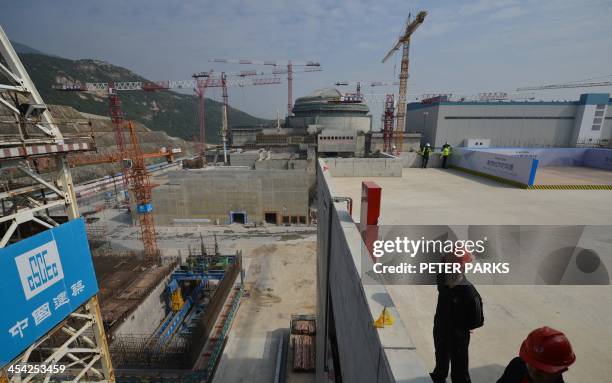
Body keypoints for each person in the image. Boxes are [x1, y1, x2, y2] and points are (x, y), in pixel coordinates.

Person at [430, 248, 484, 383]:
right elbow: (476, 321)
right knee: (446, 362)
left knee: (453, 367)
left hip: (450, 333)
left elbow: (476, 321)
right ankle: (439, 377)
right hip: (446, 331)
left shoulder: (468, 293)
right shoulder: (444, 279)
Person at [497, 327, 575, 383]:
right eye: (531, 363)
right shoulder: (517, 366)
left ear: (562, 370)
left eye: (543, 369)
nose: (534, 371)